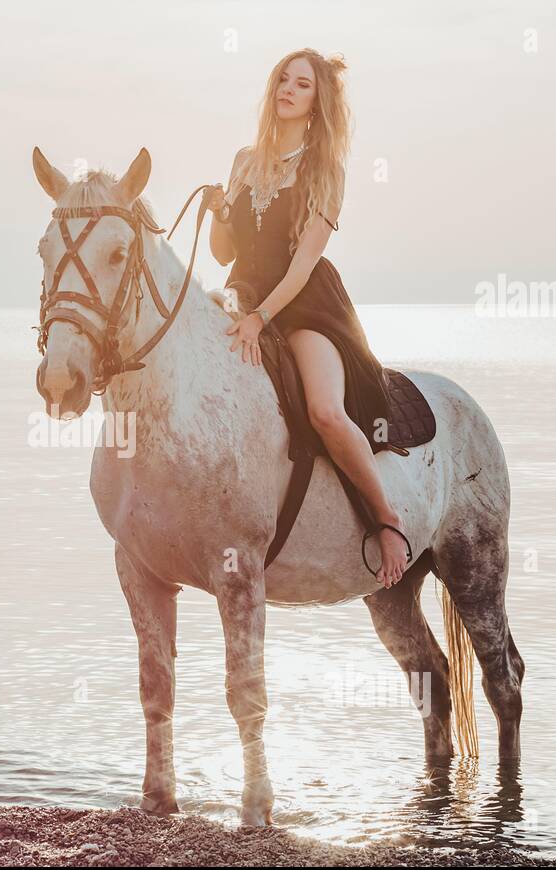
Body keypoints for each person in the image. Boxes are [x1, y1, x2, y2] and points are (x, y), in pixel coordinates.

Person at [207, 48, 409, 588]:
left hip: (302, 304)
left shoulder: (325, 170)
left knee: (323, 409)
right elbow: (223, 252)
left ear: (318, 103)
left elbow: (303, 263)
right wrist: (221, 212)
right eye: (283, 80)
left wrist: (261, 317)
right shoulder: (244, 160)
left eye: (302, 85)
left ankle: (387, 521)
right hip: (241, 293)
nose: (288, 89)